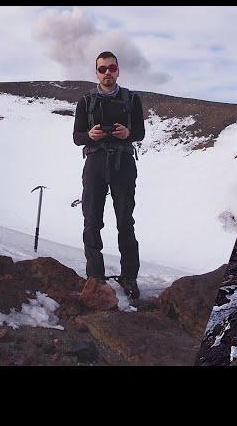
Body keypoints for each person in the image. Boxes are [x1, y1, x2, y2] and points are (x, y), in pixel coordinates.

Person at [73, 51, 145, 299]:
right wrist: (90, 136)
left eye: (111, 68)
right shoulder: (85, 101)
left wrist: (128, 133)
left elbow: (140, 133)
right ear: (96, 72)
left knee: (125, 220)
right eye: (102, 69)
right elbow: (77, 137)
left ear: (118, 70)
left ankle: (130, 277)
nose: (107, 73)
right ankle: (95, 276)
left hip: (123, 163)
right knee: (92, 219)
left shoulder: (132, 99)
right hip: (95, 163)